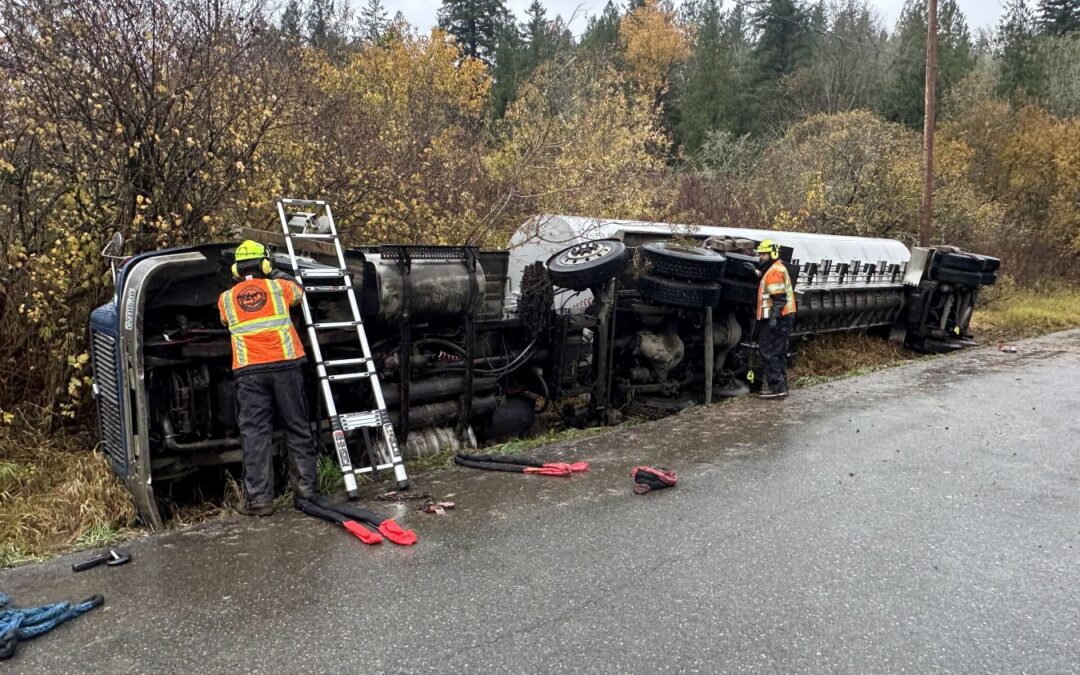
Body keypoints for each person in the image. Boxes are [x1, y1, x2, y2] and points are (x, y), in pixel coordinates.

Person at [218, 240, 318, 516]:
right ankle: (306, 493)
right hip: (286, 367)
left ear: (237, 270)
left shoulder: (226, 299)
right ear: (266, 264)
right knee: (297, 428)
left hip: (249, 373)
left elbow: (226, 321)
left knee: (255, 435)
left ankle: (259, 501)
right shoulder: (280, 288)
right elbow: (300, 292)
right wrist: (275, 272)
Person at [754, 239, 797, 399]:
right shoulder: (777, 267)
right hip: (785, 317)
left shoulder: (773, 271)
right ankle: (782, 386)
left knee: (768, 352)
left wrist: (773, 318)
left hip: (776, 319)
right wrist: (756, 273)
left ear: (772, 253)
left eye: (764, 254)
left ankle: (776, 389)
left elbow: (779, 298)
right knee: (779, 353)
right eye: (760, 253)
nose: (761, 257)